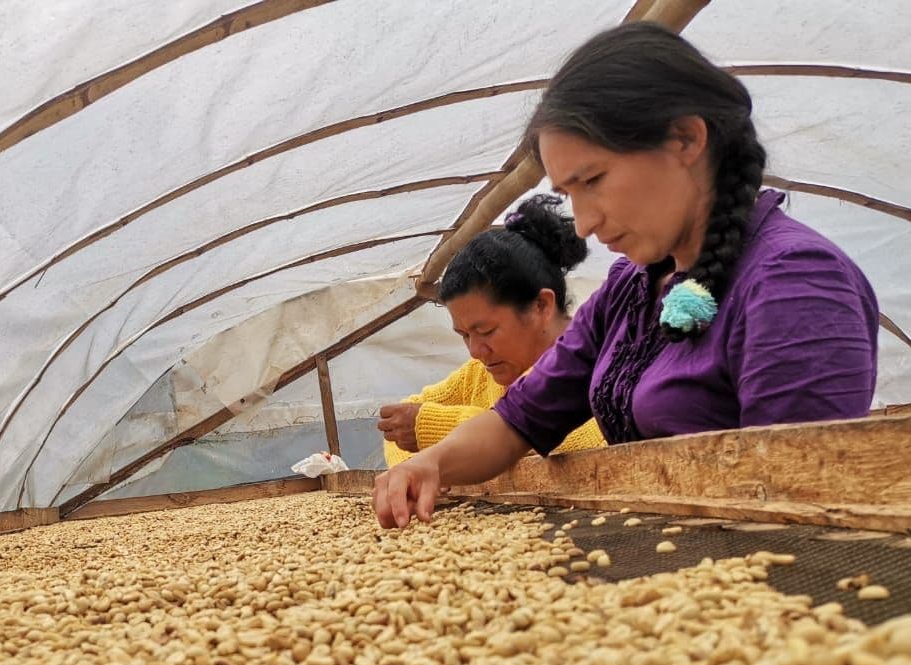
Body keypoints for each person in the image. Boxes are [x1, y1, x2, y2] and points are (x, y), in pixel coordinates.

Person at [373, 22, 879, 528]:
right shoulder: (630, 289)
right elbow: (517, 421)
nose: (586, 222)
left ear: (685, 138)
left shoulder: (794, 284)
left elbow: (800, 502)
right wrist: (429, 463)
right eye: (570, 194)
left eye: (593, 180)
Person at [378, 194, 605, 467]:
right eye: (464, 335)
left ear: (541, 306)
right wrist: (421, 469)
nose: (475, 351)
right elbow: (398, 425)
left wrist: (433, 431)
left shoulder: (597, 359)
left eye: (485, 330)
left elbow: (578, 437)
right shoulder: (477, 377)